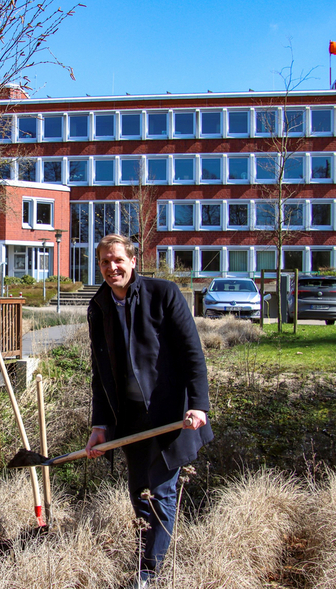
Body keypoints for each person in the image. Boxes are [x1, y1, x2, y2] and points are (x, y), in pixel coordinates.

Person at [84, 234, 213, 588]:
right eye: (105, 262)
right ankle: (149, 561)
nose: (112, 268)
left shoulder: (164, 295)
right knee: (139, 491)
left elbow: (192, 353)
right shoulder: (99, 307)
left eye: (118, 260)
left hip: (172, 414)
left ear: (133, 261)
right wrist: (100, 425)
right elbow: (101, 372)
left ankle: (148, 573)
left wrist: (199, 405)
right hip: (129, 418)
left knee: (161, 491)